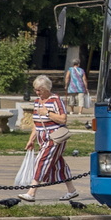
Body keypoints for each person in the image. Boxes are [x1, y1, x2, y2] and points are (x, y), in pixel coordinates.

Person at [22, 74, 79, 203]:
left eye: (39, 90)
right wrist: (30, 140)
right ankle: (72, 190)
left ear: (46, 89)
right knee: (58, 164)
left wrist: (47, 113)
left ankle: (31, 192)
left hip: (55, 137)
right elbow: (36, 124)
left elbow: (63, 119)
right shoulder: (37, 102)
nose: (37, 93)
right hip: (42, 138)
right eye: (35, 89)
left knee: (41, 160)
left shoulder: (56, 100)